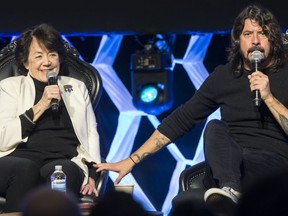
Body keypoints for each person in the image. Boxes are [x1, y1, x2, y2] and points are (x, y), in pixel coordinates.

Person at [96, 3, 288, 214]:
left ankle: (231, 193)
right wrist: (131, 160)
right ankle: (230, 191)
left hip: (272, 166)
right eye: (248, 33)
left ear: (273, 39)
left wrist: (269, 98)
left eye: (262, 33)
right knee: (212, 133)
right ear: (237, 40)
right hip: (229, 164)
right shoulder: (223, 76)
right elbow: (180, 120)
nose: (255, 41)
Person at [0, 23, 101, 213]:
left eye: (52, 54)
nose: (47, 62)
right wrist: (41, 104)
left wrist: (93, 174)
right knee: (25, 169)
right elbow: (3, 137)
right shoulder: (10, 87)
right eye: (38, 56)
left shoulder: (77, 87)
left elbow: (91, 133)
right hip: (15, 159)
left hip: (62, 159)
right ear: (25, 62)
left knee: (64, 171)